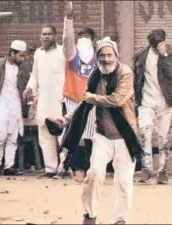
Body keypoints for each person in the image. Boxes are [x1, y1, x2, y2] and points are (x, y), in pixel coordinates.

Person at [57, 36, 142, 225]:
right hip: (102, 135)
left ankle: (119, 220)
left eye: (109, 55)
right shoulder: (95, 75)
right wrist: (66, 119)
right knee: (94, 173)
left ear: (116, 56)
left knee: (123, 182)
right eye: (102, 55)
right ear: (97, 57)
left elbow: (116, 100)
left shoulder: (125, 73)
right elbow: (84, 103)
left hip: (125, 136)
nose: (106, 59)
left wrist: (93, 98)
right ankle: (90, 214)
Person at [133, 29, 172, 184]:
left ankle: (162, 172)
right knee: (145, 134)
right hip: (146, 103)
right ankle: (146, 169)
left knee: (163, 138)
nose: (158, 47)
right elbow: (137, 77)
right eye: (155, 45)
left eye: (160, 44)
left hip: (164, 104)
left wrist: (164, 56)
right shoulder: (142, 55)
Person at [55, 1, 97, 180]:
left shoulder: (99, 57)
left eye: (86, 35)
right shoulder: (72, 55)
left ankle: (86, 168)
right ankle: (71, 166)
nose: (83, 38)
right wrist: (69, 20)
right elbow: (67, 40)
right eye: (80, 35)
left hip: (91, 100)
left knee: (90, 135)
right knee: (74, 134)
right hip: (73, 99)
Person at [0, 40, 30, 175]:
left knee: (13, 137)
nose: (23, 58)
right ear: (12, 53)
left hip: (16, 105)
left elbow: (27, 87)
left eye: (24, 55)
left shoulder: (24, 67)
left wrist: (30, 105)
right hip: (1, 103)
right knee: (1, 135)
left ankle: (9, 166)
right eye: (20, 55)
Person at [23, 24, 65, 178]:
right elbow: (34, 74)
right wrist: (29, 87)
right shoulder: (38, 54)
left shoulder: (62, 52)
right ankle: (50, 169)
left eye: (49, 34)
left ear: (55, 36)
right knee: (45, 135)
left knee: (61, 134)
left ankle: (63, 168)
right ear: (40, 36)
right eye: (43, 34)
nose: (46, 36)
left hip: (60, 100)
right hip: (44, 101)